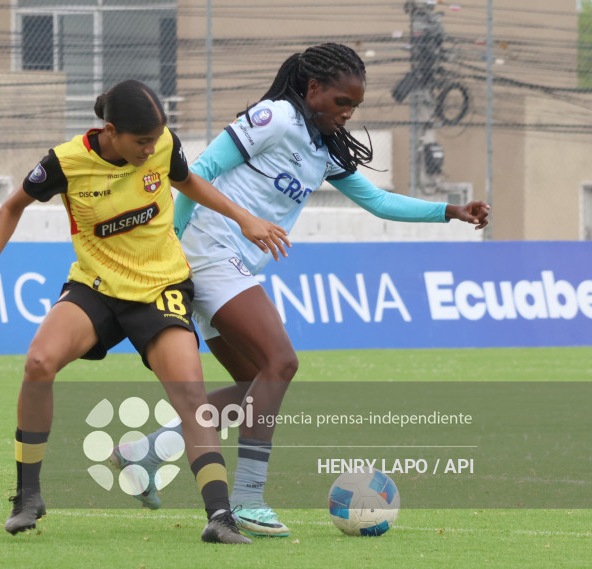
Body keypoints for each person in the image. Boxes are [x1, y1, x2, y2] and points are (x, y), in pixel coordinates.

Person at [114, 44, 490, 538]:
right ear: (313, 89)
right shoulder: (276, 116)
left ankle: (145, 451)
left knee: (255, 384)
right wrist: (173, 247)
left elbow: (376, 201)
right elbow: (197, 172)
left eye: (354, 106)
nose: (348, 113)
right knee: (282, 361)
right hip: (206, 250)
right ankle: (247, 499)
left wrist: (448, 212)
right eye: (340, 102)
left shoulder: (325, 146)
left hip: (227, 261)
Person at [0, 79, 290, 545]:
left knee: (190, 396)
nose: (151, 148)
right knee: (38, 362)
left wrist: (244, 218)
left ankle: (220, 517)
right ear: (109, 131)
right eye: (141, 141)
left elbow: (187, 180)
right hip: (96, 287)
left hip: (161, 286)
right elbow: (13, 207)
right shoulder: (65, 162)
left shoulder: (161, 145)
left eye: (156, 139)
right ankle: (27, 496)